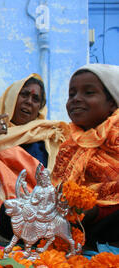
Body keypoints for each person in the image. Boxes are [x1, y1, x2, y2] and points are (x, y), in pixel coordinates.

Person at [0, 74, 69, 239]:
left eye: (35, 99)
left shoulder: (50, 138)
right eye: (24, 94)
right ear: (11, 97)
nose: (28, 101)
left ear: (40, 107)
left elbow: (54, 183)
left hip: (36, 213)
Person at [51, 63, 119, 248]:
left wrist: (94, 211)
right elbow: (57, 190)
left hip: (107, 221)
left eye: (89, 93)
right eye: (71, 94)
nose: (76, 99)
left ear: (112, 102)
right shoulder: (69, 146)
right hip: (73, 223)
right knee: (9, 214)